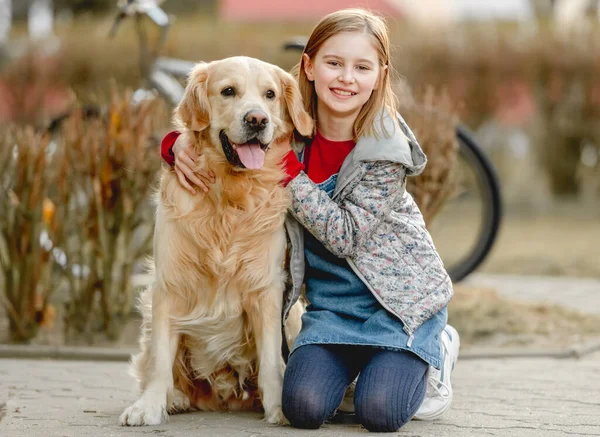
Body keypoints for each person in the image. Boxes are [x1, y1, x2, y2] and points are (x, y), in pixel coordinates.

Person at [159, 8, 460, 432]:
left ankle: (436, 351)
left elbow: (344, 235)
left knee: (381, 413)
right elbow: (216, 126)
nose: (346, 78)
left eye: (362, 67)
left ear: (380, 75)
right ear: (309, 66)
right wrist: (175, 146)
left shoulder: (386, 148)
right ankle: (359, 368)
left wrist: (286, 172)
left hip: (398, 306)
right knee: (301, 407)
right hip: (333, 311)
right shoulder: (290, 130)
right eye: (334, 63)